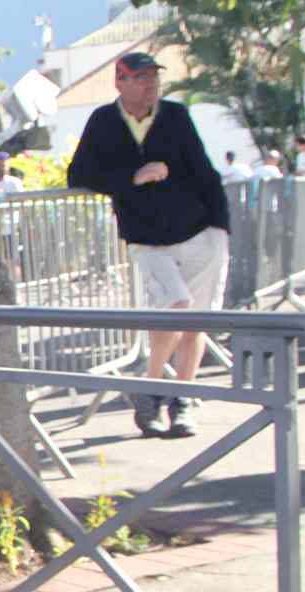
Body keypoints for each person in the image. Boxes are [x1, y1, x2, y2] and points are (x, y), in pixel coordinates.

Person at [67, 51, 230, 438]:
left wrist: (221, 228)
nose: (150, 84)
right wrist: (132, 177)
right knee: (175, 308)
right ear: (120, 82)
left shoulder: (175, 115)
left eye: (153, 77)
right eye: (140, 78)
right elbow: (80, 174)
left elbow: (205, 174)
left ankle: (183, 400)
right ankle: (152, 390)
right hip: (146, 238)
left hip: (199, 231)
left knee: (195, 323)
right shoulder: (104, 121)